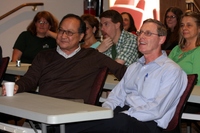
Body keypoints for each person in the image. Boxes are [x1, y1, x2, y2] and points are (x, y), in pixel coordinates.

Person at [54, 18, 187, 133]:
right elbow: (116, 96)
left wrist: (122, 115)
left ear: (161, 39)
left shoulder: (171, 70)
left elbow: (156, 110)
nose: (141, 37)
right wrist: (104, 113)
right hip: (122, 116)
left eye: (148, 33)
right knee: (87, 118)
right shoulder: (134, 67)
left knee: (118, 122)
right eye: (140, 33)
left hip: (147, 123)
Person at [2, 14, 127, 103]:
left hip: (76, 112)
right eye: (61, 31)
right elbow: (30, 79)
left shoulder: (92, 56)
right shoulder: (44, 56)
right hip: (46, 107)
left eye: (70, 33)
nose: (63, 36)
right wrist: (17, 86)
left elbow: (123, 72)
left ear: (81, 36)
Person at [169, 11, 200, 86]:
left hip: (191, 94)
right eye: (182, 25)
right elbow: (164, 71)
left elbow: (197, 81)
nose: (184, 28)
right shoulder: (176, 49)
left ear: (199, 29)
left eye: (189, 25)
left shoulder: (198, 51)